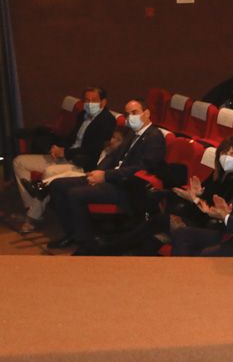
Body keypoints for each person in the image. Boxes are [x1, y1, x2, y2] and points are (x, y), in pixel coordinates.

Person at [47, 97, 166, 250]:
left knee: (75, 194)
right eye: (128, 114)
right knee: (57, 185)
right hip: (111, 178)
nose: (131, 117)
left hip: (126, 186)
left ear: (147, 113)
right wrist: (99, 172)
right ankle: (72, 233)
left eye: (134, 112)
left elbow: (142, 168)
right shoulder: (132, 134)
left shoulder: (154, 137)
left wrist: (105, 176)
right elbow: (113, 156)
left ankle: (86, 243)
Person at [14, 86, 116, 234]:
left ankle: (33, 217)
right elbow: (72, 138)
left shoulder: (107, 121)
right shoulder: (83, 115)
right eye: (86, 100)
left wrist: (65, 152)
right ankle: (32, 207)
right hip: (64, 156)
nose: (89, 103)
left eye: (93, 100)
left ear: (103, 102)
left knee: (49, 172)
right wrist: (57, 147)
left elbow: (92, 149)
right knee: (19, 162)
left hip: (81, 163)